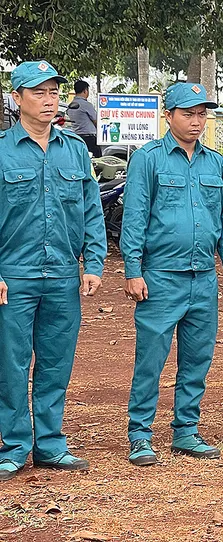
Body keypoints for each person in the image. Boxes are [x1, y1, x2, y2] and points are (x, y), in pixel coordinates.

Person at [119, 82, 223, 467]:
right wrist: (133, 270)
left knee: (197, 358)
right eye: (188, 114)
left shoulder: (216, 162)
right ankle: (140, 434)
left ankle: (186, 430)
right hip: (160, 278)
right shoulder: (148, 159)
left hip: (203, 278)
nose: (196, 121)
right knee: (151, 360)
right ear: (167, 116)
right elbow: (135, 219)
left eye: (202, 114)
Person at [0, 61, 106, 481]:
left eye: (53, 92)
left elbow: (91, 211)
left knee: (56, 362)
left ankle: (50, 444)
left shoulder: (75, 149)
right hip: (14, 275)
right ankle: (12, 446)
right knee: (11, 363)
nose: (49, 100)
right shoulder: (2, 150)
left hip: (63, 274)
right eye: (39, 92)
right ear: (16, 98)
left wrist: (93, 262)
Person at [65, 80, 101, 157]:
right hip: (89, 139)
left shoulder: (70, 105)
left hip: (76, 137)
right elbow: (96, 121)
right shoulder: (86, 105)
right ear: (85, 91)